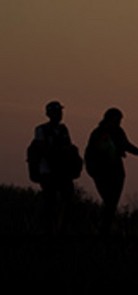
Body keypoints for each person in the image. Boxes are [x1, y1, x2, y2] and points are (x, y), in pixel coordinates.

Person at [84, 107, 138, 234]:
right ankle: (103, 227)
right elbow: (91, 154)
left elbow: (126, 145)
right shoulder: (98, 133)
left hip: (116, 172)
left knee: (112, 202)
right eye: (117, 119)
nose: (119, 122)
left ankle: (105, 227)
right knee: (109, 201)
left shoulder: (118, 132)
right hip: (101, 172)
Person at [28, 100, 82, 233]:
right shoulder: (41, 129)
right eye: (57, 112)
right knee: (49, 202)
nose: (59, 115)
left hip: (63, 171)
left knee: (68, 200)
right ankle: (46, 229)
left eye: (60, 112)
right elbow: (43, 149)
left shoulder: (63, 129)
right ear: (49, 114)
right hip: (48, 171)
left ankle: (62, 229)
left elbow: (68, 147)